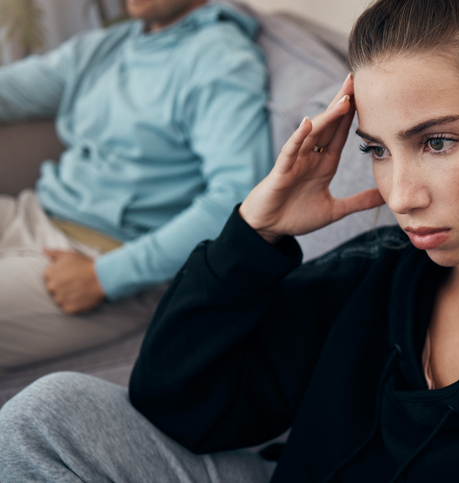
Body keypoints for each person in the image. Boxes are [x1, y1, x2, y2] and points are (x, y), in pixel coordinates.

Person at [0, 0, 459, 481]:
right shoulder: (380, 274)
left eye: (436, 141)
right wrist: (253, 235)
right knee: (46, 413)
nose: (400, 193)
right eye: (378, 150)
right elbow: (178, 401)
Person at [0, 0, 272, 369]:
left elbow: (239, 202)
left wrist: (104, 278)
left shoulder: (220, 58)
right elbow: (10, 91)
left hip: (103, 258)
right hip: (31, 215)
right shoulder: (112, 44)